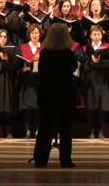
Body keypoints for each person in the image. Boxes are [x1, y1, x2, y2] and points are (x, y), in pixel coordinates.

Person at [32, 23, 79, 167]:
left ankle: (41, 159)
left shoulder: (45, 53)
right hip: (65, 93)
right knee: (65, 129)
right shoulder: (68, 53)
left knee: (45, 127)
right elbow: (73, 67)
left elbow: (41, 72)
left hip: (48, 93)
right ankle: (65, 160)